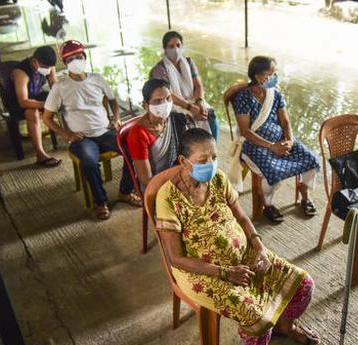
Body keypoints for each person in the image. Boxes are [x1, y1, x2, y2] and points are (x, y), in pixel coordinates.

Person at [155, 128, 320, 345]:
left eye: (214, 157)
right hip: (202, 271)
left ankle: (285, 326)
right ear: (184, 161)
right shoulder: (168, 198)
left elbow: (242, 218)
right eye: (203, 159)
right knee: (256, 317)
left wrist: (259, 247)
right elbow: (176, 259)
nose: (211, 164)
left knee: (304, 284)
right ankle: (267, 329)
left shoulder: (218, 179)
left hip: (243, 254)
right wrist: (226, 273)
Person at [42, 40, 140, 220]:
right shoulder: (60, 87)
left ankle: (125, 192)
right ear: (65, 63)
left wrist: (116, 118)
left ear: (85, 58)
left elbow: (112, 99)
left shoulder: (97, 79)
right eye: (71, 59)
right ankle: (100, 201)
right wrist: (67, 134)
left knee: (133, 149)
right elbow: (47, 118)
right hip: (82, 138)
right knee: (88, 161)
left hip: (105, 131)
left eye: (79, 57)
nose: (76, 61)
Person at [229, 56, 320, 223]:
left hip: (280, 139)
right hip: (254, 144)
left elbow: (285, 122)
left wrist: (290, 141)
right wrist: (271, 146)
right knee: (273, 171)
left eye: (275, 73)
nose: (275, 77)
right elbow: (246, 131)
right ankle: (268, 204)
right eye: (271, 74)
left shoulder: (275, 94)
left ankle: (305, 194)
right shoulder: (243, 97)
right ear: (258, 76)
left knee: (311, 159)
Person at [150, 31, 219, 141]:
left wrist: (200, 102)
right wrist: (190, 107)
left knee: (210, 115)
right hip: (173, 105)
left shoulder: (189, 62)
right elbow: (168, 94)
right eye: (171, 46)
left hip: (193, 101)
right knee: (186, 122)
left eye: (178, 45)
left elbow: (198, 85)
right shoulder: (160, 69)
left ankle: (211, 150)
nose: (175, 49)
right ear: (165, 49)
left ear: (182, 46)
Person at [126, 79, 188, 191]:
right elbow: (146, 180)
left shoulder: (174, 120)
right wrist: (178, 185)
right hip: (156, 189)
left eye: (168, 98)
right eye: (158, 101)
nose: (165, 104)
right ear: (145, 105)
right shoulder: (138, 135)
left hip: (179, 176)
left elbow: (188, 151)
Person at [9, 45, 61, 167]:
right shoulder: (21, 72)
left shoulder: (48, 66)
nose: (48, 69)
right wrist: (46, 104)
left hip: (35, 95)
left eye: (50, 67)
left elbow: (55, 85)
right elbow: (23, 101)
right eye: (45, 67)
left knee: (63, 101)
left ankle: (72, 136)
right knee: (32, 113)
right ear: (34, 61)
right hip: (17, 102)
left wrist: (60, 99)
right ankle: (40, 154)